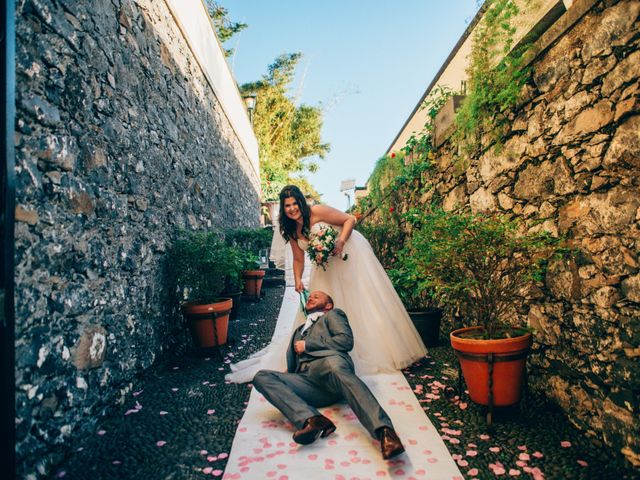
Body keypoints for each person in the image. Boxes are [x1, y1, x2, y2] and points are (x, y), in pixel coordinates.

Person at [226, 185, 426, 383]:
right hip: (325, 268)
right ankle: (333, 352)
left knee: (362, 301)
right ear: (283, 208)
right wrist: (297, 280)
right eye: (287, 206)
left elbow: (350, 219)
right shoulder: (291, 230)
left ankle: (385, 351)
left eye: (295, 203)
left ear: (301, 202)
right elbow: (298, 259)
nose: (292, 208)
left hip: (348, 256)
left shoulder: (317, 211)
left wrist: (340, 241)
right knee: (329, 307)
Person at [253, 290, 405, 460]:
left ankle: (385, 432)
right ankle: (313, 420)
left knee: (334, 368)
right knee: (261, 376)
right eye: (310, 296)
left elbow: (346, 341)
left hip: (330, 368)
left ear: (328, 305)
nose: (311, 297)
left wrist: (308, 345)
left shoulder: (333, 315)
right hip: (309, 384)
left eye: (317, 297)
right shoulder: (298, 330)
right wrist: (285, 379)